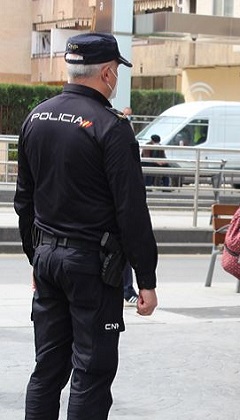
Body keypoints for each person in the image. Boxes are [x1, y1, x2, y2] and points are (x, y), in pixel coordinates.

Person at [13, 32, 159, 419]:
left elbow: (24, 200)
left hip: (47, 258)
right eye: (117, 73)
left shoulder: (36, 116)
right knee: (91, 372)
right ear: (108, 73)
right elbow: (132, 210)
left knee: (47, 368)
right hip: (92, 266)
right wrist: (146, 278)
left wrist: (36, 257)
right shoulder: (111, 127)